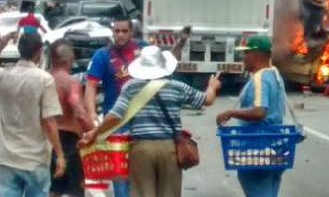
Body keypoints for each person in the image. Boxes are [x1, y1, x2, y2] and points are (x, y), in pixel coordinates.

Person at [79, 46, 221, 197]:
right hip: (170, 149)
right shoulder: (178, 87)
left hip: (141, 149)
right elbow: (207, 100)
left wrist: (95, 133)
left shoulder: (131, 87)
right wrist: (212, 86)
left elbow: (115, 115)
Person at [84, 18, 189, 197]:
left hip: (143, 123)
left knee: (147, 176)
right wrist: (92, 114)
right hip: (117, 125)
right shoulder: (102, 55)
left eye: (124, 31)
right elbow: (91, 86)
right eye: (117, 31)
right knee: (120, 176)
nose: (120, 35)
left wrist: (181, 42)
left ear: (131, 32)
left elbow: (167, 62)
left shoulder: (143, 50)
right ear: (112, 32)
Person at [216, 35, 287, 197]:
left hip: (259, 148)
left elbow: (259, 111)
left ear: (256, 55)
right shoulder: (275, 75)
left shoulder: (260, 78)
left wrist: (230, 112)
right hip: (277, 147)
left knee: (257, 187)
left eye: (246, 53)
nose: (243, 57)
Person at [0, 33, 66, 197]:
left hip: (7, 157)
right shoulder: (44, 80)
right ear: (39, 52)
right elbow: (49, 121)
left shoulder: (4, 76)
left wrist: (3, 41)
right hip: (35, 158)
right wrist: (60, 155)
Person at [49, 39, 94, 197]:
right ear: (69, 60)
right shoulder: (71, 83)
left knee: (53, 189)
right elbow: (79, 111)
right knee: (76, 189)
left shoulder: (43, 80)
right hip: (69, 141)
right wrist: (93, 130)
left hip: (48, 140)